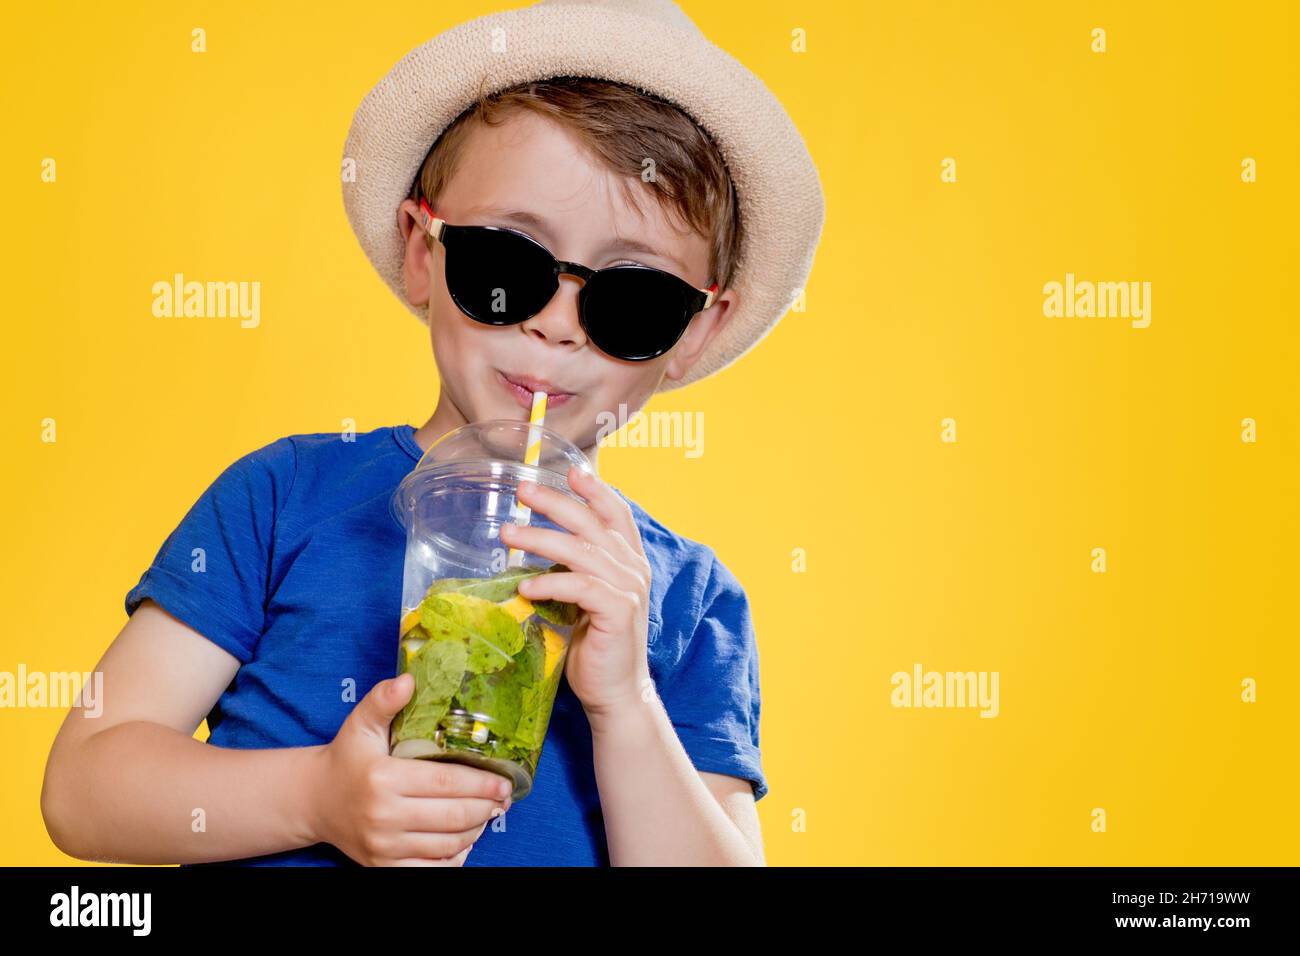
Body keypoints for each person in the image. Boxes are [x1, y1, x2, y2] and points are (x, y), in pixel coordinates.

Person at [40, 0, 824, 866]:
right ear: (423, 250)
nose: (557, 328)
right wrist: (317, 799)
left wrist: (627, 703)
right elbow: (84, 791)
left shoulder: (683, 602)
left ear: (697, 333)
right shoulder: (281, 500)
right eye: (508, 266)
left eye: (631, 299)